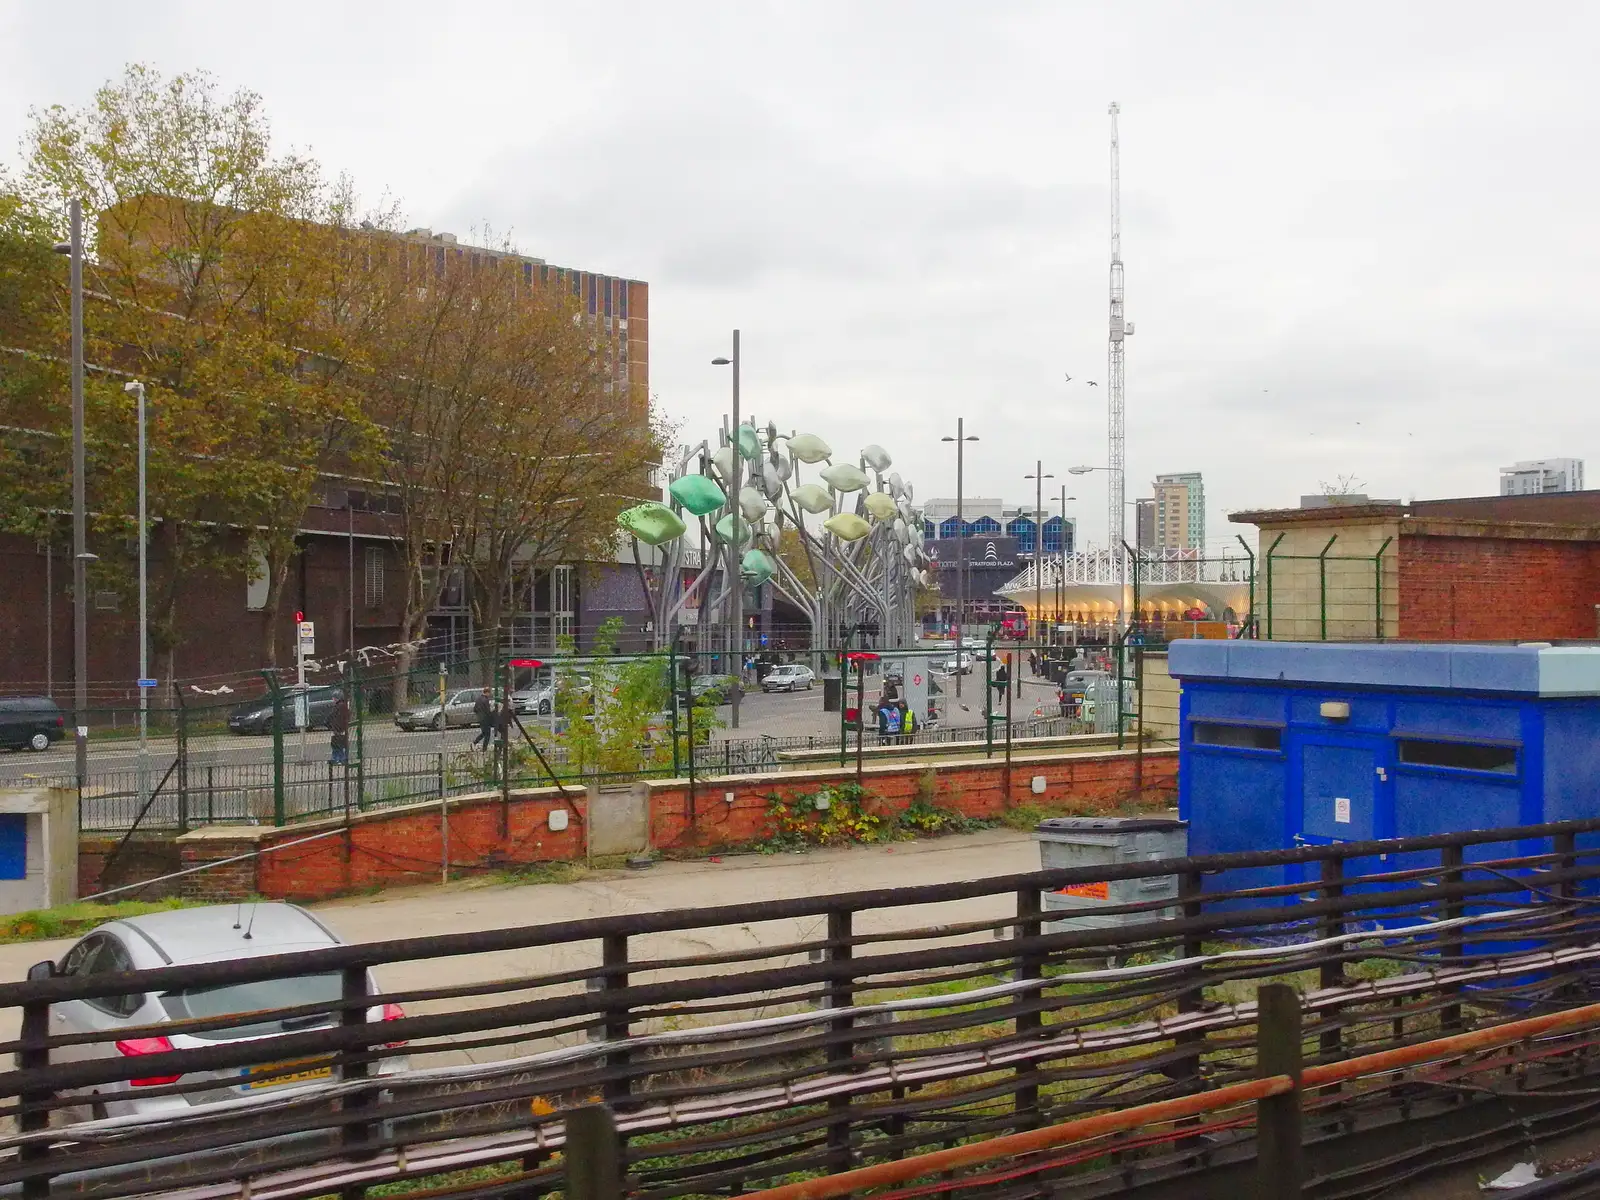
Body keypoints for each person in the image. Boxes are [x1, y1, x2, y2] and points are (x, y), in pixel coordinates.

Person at [328, 690, 350, 766]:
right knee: (337, 744)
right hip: (338, 729)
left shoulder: (340, 706)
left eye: (334, 698)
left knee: (338, 745)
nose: (333, 700)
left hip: (339, 729)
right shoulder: (339, 706)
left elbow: (338, 719)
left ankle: (339, 759)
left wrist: (335, 728)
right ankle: (338, 758)